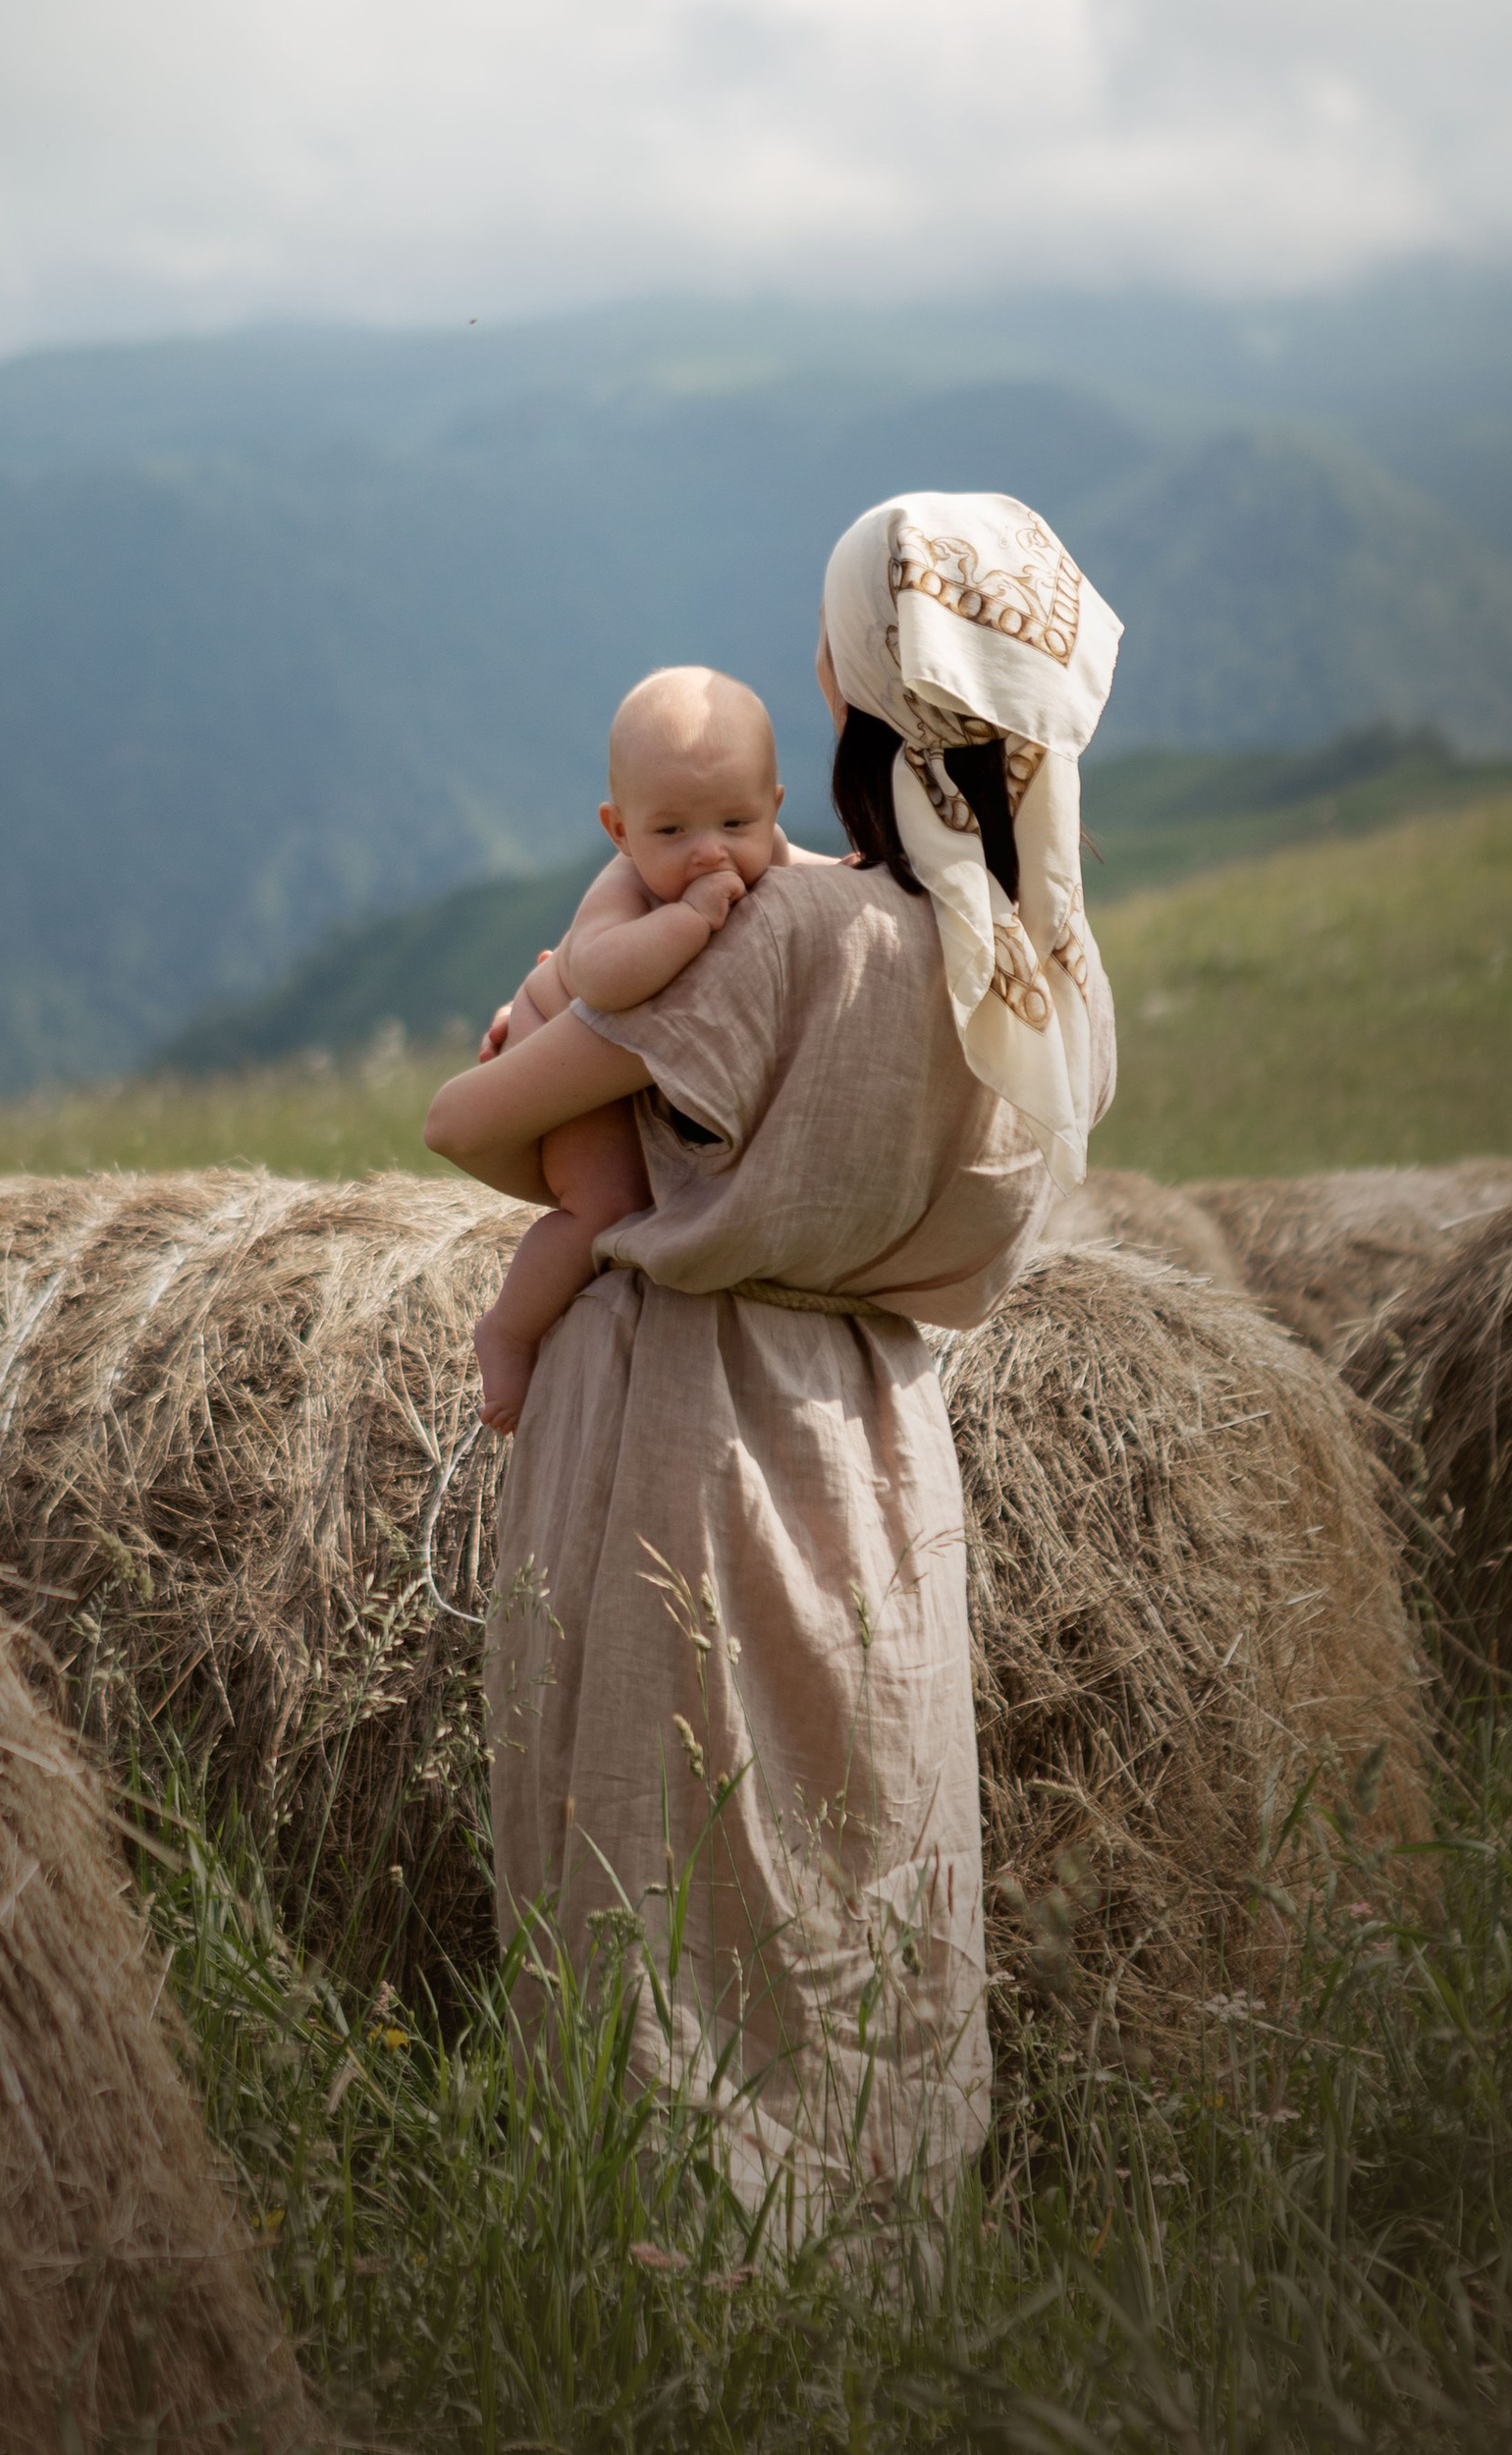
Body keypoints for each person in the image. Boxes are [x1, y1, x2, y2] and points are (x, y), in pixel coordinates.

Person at [423, 489, 1121, 2210]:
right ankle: (882, 2251)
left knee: (658, 1864)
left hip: (684, 1426)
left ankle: (672, 2264)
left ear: (846, 678)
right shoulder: (1019, 971)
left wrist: (542, 1045)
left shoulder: (775, 934)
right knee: (862, 1858)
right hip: (879, 1445)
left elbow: (470, 1124)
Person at [473, 666, 806, 1437]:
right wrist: (689, 919)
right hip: (560, 1048)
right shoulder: (625, 888)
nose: (708, 851)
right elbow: (600, 977)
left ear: (774, 808)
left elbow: (816, 887)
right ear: (620, 831)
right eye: (671, 832)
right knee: (605, 1206)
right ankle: (509, 1330)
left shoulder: (769, 853)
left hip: (630, 1066)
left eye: (736, 822)